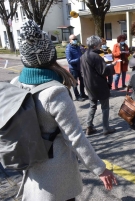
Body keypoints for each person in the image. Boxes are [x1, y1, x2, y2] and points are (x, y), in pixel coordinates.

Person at [14, 20, 117, 201]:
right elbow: (75, 138)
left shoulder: (16, 83)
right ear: (51, 55)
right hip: (56, 174)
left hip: (29, 163)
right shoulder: (55, 92)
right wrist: (100, 169)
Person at [80, 35, 116, 136]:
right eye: (100, 44)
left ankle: (89, 126)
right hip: (99, 85)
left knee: (92, 106)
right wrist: (113, 65)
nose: (101, 46)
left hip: (89, 84)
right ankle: (106, 128)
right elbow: (104, 71)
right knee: (105, 107)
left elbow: (82, 72)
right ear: (95, 45)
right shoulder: (96, 56)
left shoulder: (83, 56)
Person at [66, 34, 88, 101]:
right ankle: (77, 96)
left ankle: (82, 94)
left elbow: (81, 54)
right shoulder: (68, 49)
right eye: (74, 39)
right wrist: (79, 59)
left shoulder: (78, 47)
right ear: (70, 40)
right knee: (74, 83)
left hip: (80, 67)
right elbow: (69, 61)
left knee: (82, 81)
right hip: (73, 68)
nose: (75, 40)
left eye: (76, 39)